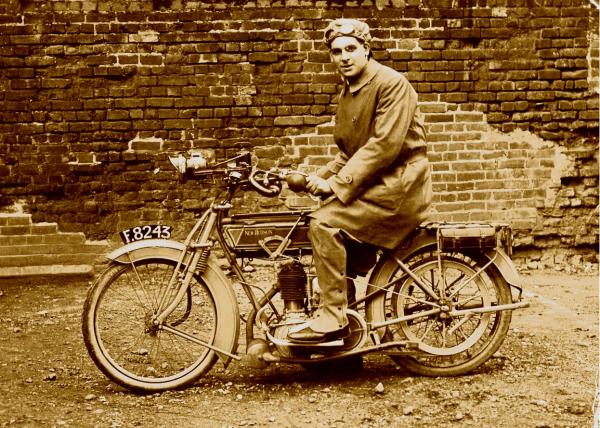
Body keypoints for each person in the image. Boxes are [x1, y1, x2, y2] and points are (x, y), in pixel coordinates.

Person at [288, 18, 432, 344]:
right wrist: (317, 177)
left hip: (399, 187)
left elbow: (384, 146)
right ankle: (347, 339)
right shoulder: (348, 92)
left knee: (322, 223)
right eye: (336, 51)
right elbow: (348, 153)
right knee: (322, 217)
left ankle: (332, 318)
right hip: (376, 185)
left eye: (351, 48)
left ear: (366, 49)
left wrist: (338, 184)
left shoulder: (391, 84)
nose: (344, 57)